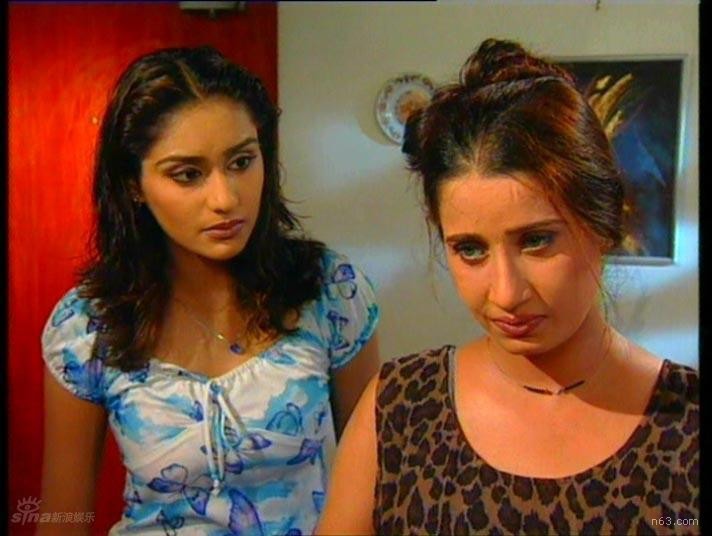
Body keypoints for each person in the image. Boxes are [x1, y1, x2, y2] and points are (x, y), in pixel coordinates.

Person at [316, 38, 698, 535]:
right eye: (470, 249)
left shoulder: (686, 423)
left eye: (536, 241)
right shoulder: (402, 411)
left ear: (604, 222)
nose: (505, 293)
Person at [39, 46, 380, 535]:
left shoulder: (329, 292)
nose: (225, 198)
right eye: (188, 174)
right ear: (134, 184)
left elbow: (374, 484)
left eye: (241, 161)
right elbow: (62, 516)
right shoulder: (87, 327)